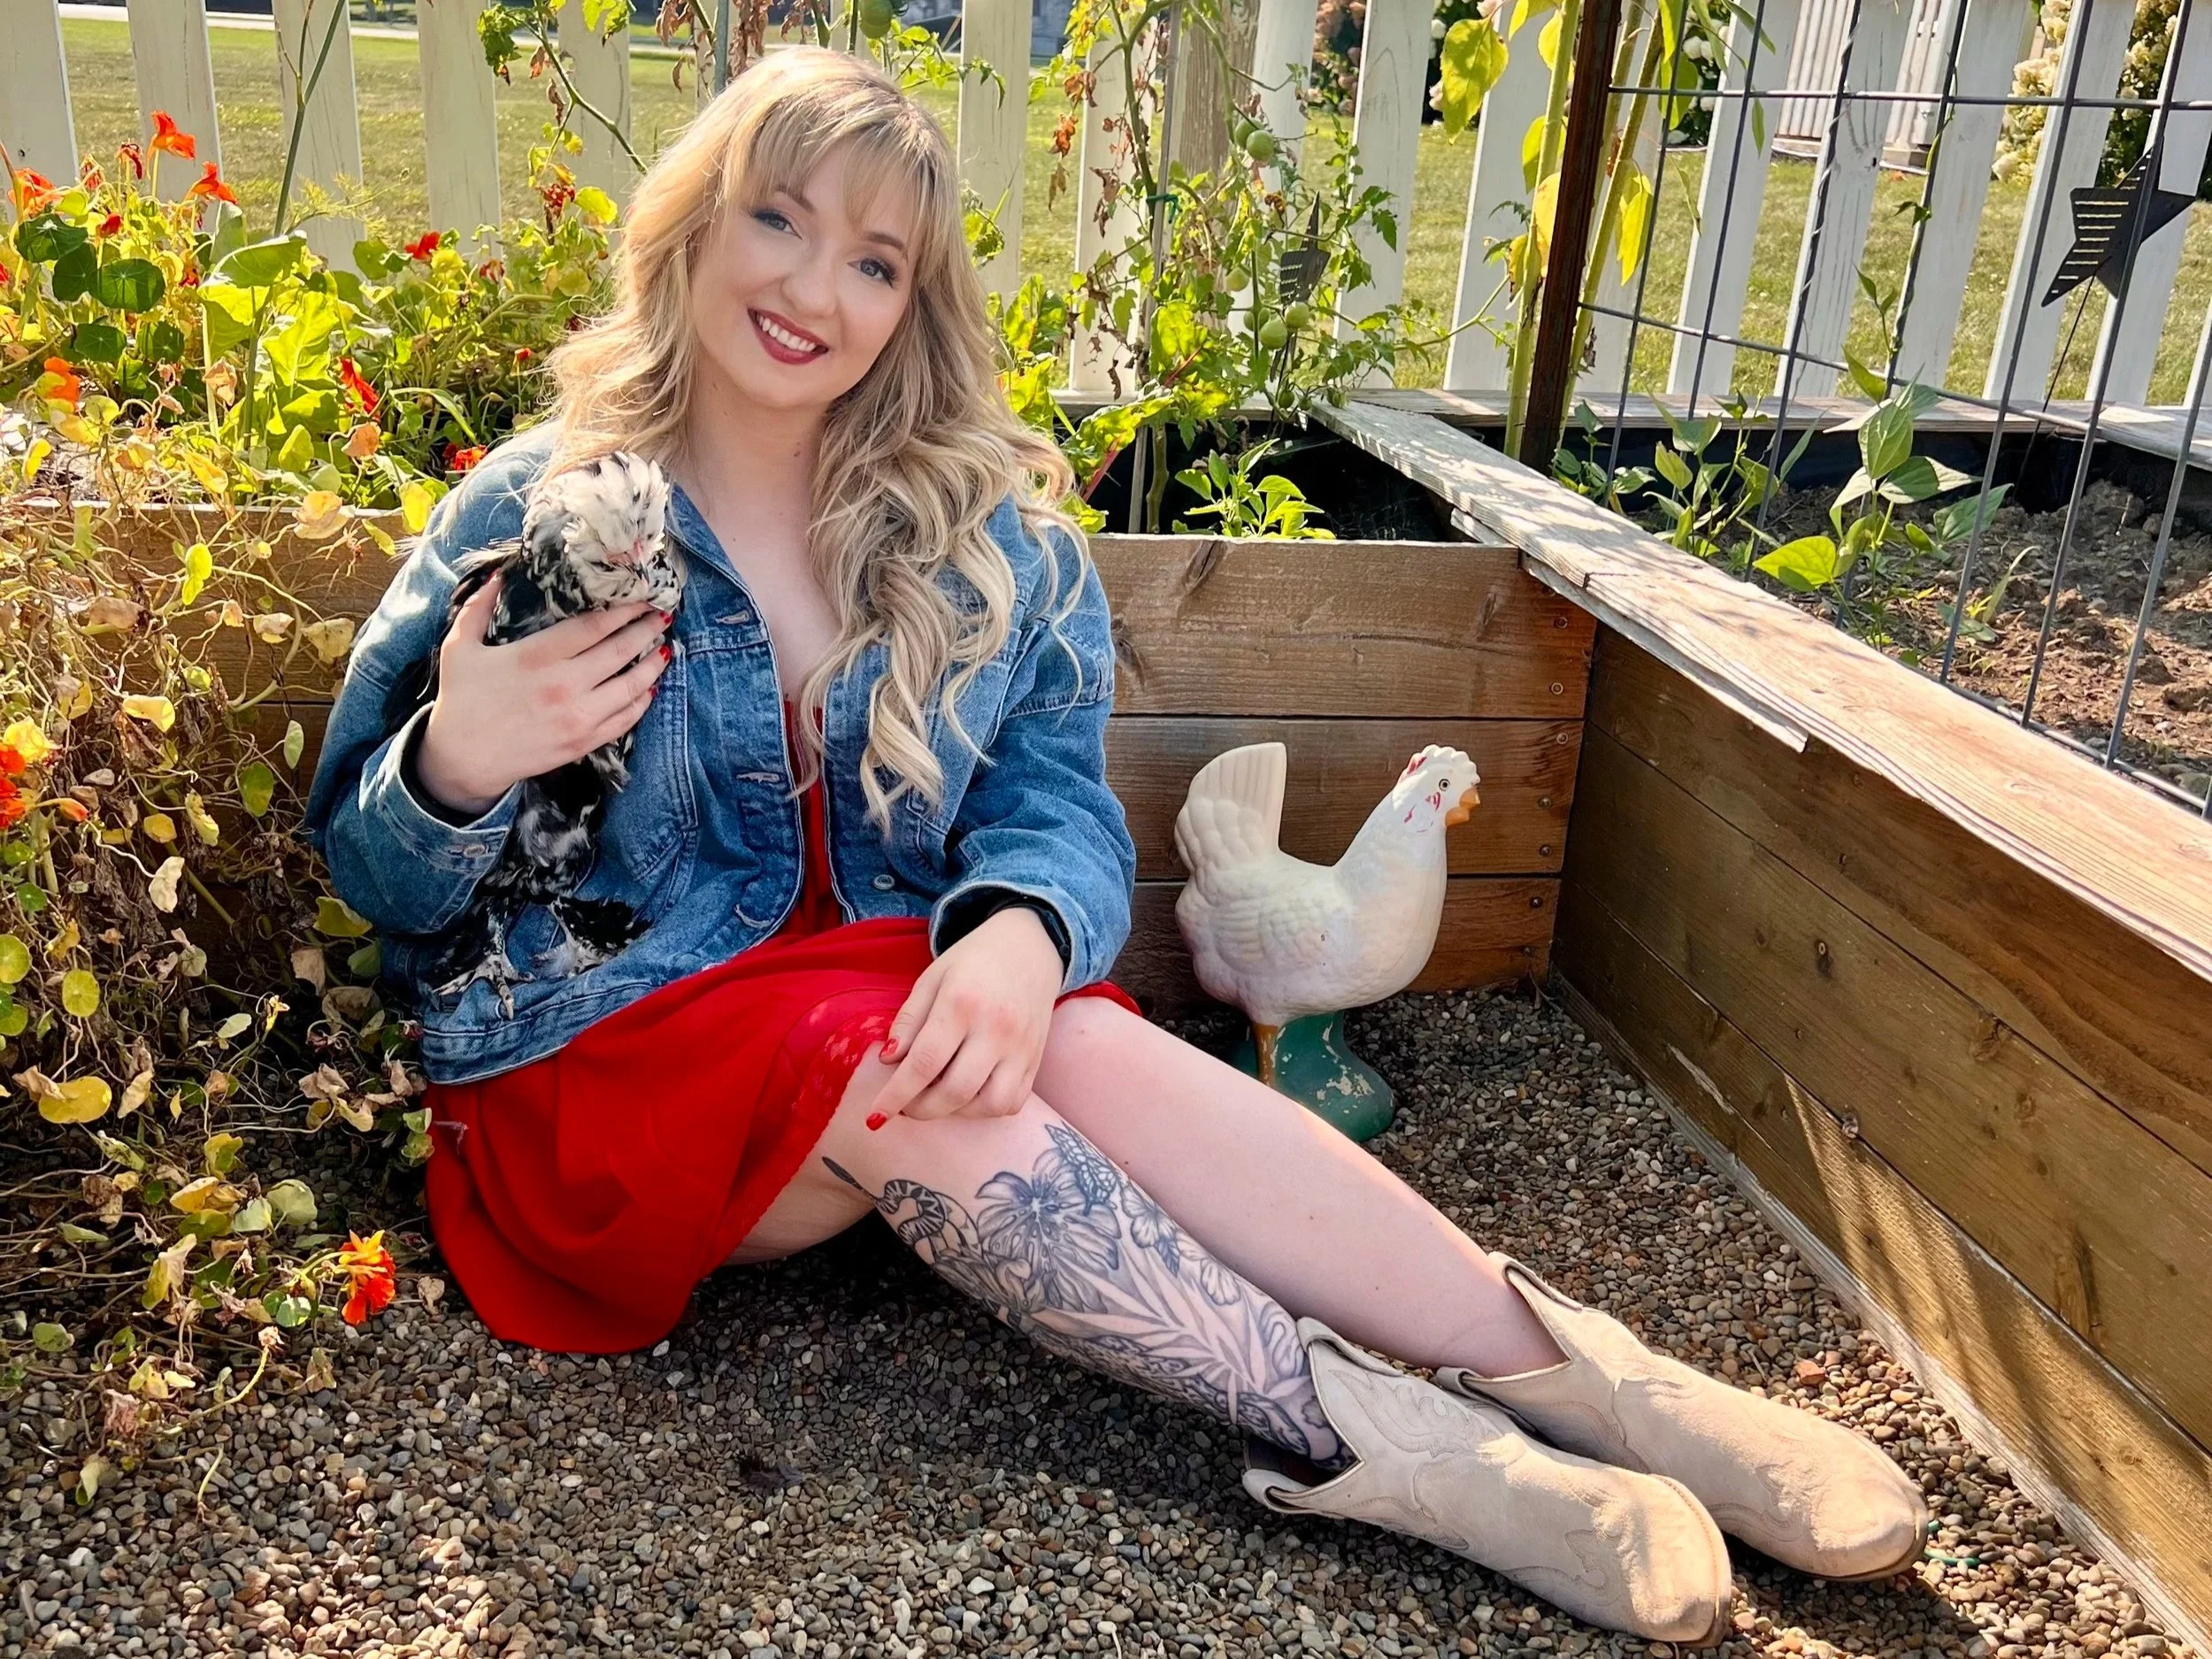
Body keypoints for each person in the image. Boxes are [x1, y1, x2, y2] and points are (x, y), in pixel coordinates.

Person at [304, 47, 1925, 1644]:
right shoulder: (543, 511)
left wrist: (1019, 930)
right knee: (899, 1050)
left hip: (865, 1020)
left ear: (913, 302)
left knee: (1059, 1029)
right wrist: (458, 759)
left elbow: (1052, 805)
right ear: (697, 225)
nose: (815, 287)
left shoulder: (979, 534)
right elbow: (369, 872)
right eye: (779, 220)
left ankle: (1588, 1378)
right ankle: (1421, 1458)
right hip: (595, 1072)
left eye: (874, 259)